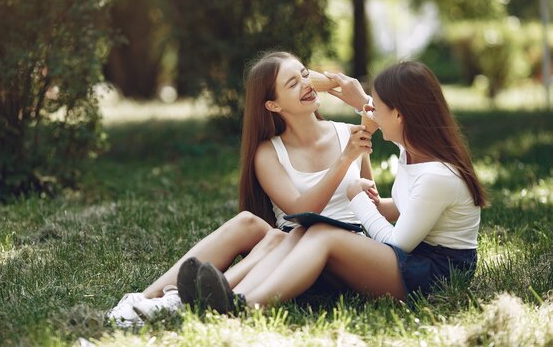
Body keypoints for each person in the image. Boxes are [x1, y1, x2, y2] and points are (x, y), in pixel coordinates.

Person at [180, 60, 486, 312]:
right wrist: (361, 100)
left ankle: (242, 306)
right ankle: (223, 296)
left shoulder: (436, 175)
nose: (371, 115)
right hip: (416, 257)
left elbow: (396, 244)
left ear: (399, 115)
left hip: (435, 273)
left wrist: (359, 200)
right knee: (310, 231)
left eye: (377, 108)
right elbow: (410, 208)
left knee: (324, 234)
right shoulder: (412, 152)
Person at [107, 51, 373, 327]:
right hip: (284, 254)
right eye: (292, 84)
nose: (305, 84)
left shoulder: (350, 135)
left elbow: (371, 201)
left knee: (279, 239)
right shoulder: (268, 153)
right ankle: (144, 300)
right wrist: (345, 160)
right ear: (272, 105)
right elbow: (300, 212)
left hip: (336, 254)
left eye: (305, 75)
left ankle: (186, 300)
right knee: (249, 224)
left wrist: (364, 105)